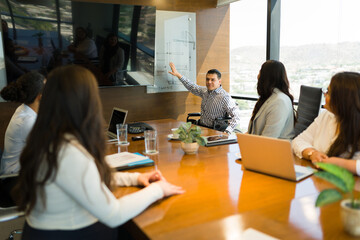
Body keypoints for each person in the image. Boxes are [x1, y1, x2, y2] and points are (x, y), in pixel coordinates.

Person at [12, 65, 184, 239]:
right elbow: (113, 214)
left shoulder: (51, 137)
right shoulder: (67, 152)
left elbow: (86, 179)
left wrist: (135, 178)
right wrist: (158, 190)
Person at [292, 72, 360, 175]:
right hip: (322, 180)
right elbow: (299, 140)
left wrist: (340, 163)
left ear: (342, 99)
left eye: (328, 92)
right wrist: (312, 153)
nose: (325, 95)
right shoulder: (326, 115)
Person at [0, 71, 45, 207]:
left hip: (19, 173)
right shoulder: (27, 120)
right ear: (39, 96)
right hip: (15, 180)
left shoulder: (24, 110)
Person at [168, 62, 241, 134]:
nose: (209, 82)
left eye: (212, 80)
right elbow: (191, 86)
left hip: (215, 131)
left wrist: (227, 132)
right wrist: (178, 75)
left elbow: (236, 117)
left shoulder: (225, 97)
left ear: (219, 81)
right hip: (201, 128)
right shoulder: (205, 91)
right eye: (207, 79)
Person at [247, 60, 296, 139]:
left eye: (260, 72)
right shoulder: (268, 97)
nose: (258, 75)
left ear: (265, 76)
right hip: (260, 146)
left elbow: (268, 138)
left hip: (274, 149)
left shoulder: (279, 102)